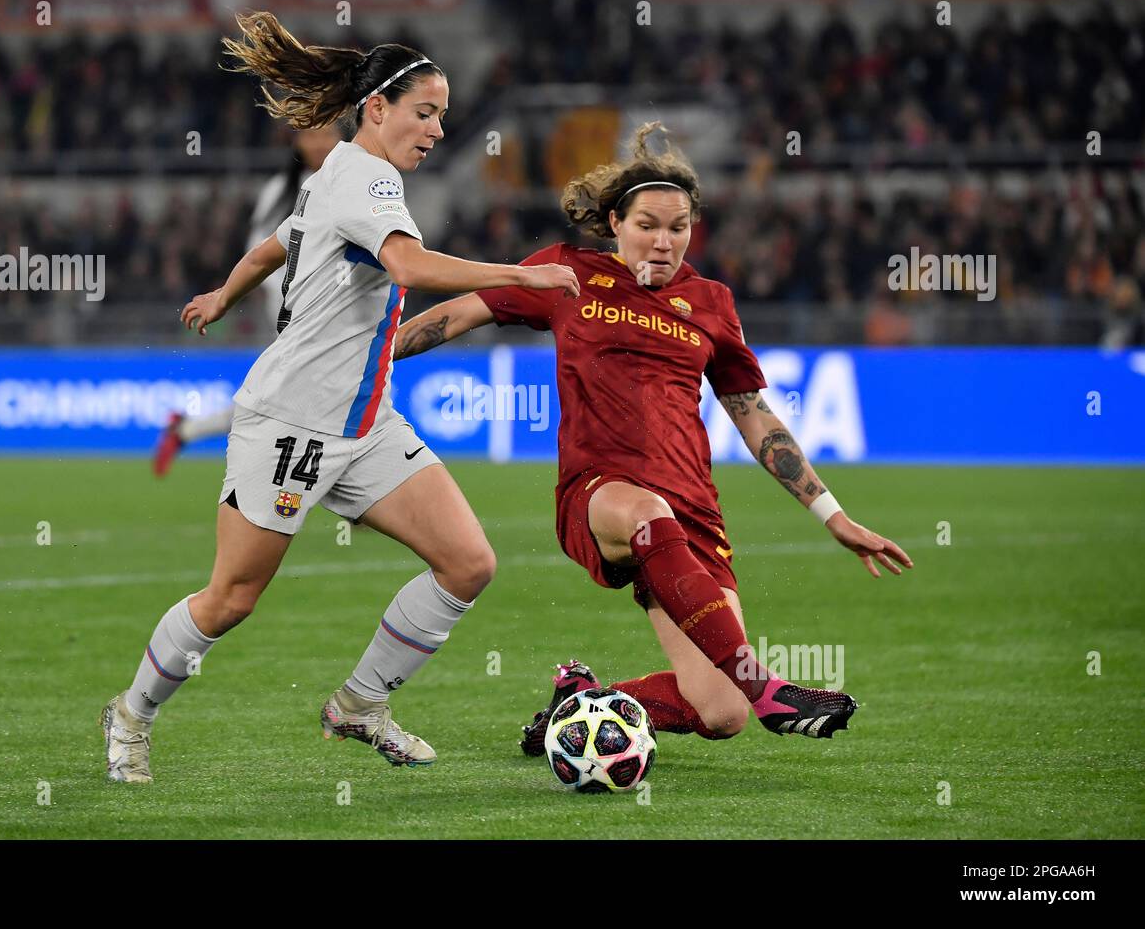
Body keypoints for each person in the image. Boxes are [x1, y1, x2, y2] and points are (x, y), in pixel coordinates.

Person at [101, 12, 580, 782]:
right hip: (291, 424)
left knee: (467, 562)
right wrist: (523, 275)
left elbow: (278, 241)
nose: (435, 130)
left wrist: (226, 292)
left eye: (444, 117)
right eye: (424, 113)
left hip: (365, 423)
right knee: (230, 600)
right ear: (377, 108)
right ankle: (131, 715)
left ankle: (359, 705)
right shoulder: (366, 178)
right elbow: (409, 267)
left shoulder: (336, 177)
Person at [389, 122, 912, 753]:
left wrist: (833, 515)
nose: (663, 243)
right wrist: (369, 357)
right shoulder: (565, 275)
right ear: (615, 222)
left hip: (693, 509)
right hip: (601, 493)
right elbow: (457, 313)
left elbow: (753, 416)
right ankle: (764, 684)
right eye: (647, 226)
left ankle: (580, 704)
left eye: (679, 228)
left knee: (719, 713)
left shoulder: (712, 302)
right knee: (647, 515)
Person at [152, 124, 343, 476]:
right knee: (307, 395)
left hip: (342, 311)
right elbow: (259, 253)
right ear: (296, 141)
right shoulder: (282, 191)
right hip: (295, 311)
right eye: (310, 134)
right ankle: (350, 489)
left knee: (282, 396)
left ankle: (185, 430)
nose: (319, 143)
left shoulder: (353, 184)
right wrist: (285, 296)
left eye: (327, 134)